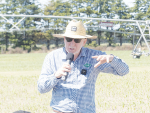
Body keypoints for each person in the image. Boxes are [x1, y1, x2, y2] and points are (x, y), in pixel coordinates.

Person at [37, 20, 129, 113]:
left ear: (84, 41)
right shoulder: (52, 57)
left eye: (76, 40)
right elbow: (41, 88)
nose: (72, 44)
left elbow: (124, 71)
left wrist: (112, 59)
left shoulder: (94, 57)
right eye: (69, 39)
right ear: (64, 39)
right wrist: (55, 76)